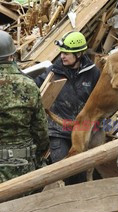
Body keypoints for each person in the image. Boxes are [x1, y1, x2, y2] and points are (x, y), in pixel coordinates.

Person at [35, 31, 100, 183]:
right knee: (63, 169)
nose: (62, 56)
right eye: (62, 52)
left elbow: (99, 101)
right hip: (57, 130)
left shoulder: (93, 73)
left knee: (81, 173)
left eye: (67, 53)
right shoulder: (53, 71)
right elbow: (35, 87)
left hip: (83, 130)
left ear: (79, 54)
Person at [0, 30, 49, 182]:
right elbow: (40, 129)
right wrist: (40, 151)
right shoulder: (28, 85)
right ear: (11, 56)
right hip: (22, 165)